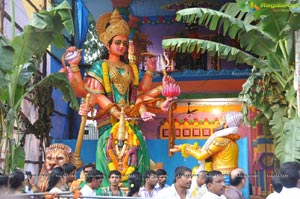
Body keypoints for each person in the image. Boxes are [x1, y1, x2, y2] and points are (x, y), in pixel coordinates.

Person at [60, 8, 178, 187]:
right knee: (108, 150)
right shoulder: (100, 66)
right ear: (108, 45)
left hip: (130, 118)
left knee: (138, 149)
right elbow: (91, 93)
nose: (122, 47)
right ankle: (107, 187)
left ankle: (138, 188)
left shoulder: (129, 68)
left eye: (124, 43)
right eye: (117, 43)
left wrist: (151, 72)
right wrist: (75, 66)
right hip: (109, 120)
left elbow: (139, 93)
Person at [170, 112, 242, 184]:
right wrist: (188, 147)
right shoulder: (232, 142)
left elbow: (201, 156)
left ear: (226, 124)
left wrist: (185, 148)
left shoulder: (221, 140)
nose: (218, 122)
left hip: (221, 177)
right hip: (229, 176)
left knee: (196, 172)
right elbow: (206, 151)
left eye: (222, 120)